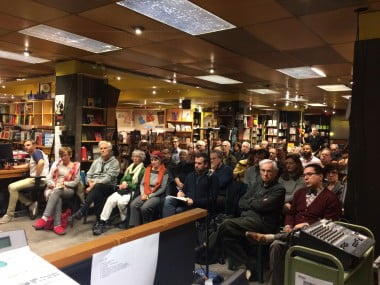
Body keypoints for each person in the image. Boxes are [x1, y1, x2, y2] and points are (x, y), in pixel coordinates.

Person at [246, 163, 342, 285]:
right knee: (276, 245)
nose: (305, 178)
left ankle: (268, 237)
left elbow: (330, 224)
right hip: (292, 234)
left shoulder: (331, 198)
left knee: (280, 239)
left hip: (314, 239)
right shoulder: (300, 193)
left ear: (321, 176)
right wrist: (288, 225)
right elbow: (291, 214)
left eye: (309, 174)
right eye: (304, 175)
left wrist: (306, 225)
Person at [206, 159, 285, 272]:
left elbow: (261, 207)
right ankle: (246, 266)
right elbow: (241, 201)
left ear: (275, 173)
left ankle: (207, 247)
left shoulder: (279, 189)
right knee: (226, 235)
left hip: (263, 224)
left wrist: (252, 202)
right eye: (263, 170)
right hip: (246, 219)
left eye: (269, 171)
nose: (265, 174)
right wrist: (256, 202)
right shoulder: (257, 184)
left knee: (227, 223)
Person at [93, 150, 146, 235]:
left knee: (121, 202)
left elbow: (139, 185)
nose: (135, 158)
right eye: (134, 156)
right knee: (110, 199)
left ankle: (125, 220)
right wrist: (123, 183)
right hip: (123, 189)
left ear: (141, 158)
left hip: (133, 191)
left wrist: (127, 185)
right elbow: (122, 179)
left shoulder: (143, 170)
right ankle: (102, 222)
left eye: (138, 157)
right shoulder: (130, 167)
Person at [70, 141, 120, 231]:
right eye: (101, 149)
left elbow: (108, 178)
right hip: (96, 187)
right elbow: (89, 174)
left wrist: (93, 185)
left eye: (105, 148)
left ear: (110, 150)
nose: (103, 150)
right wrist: (90, 182)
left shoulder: (114, 162)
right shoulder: (96, 161)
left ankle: (83, 210)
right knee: (98, 193)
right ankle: (99, 220)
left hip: (109, 186)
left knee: (98, 187)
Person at [32, 147, 80, 235]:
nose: (63, 157)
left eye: (65, 155)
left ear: (70, 155)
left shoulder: (76, 166)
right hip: (54, 188)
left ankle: (44, 217)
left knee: (57, 191)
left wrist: (64, 184)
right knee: (58, 196)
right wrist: (52, 184)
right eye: (61, 155)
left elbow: (76, 182)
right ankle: (57, 226)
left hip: (68, 189)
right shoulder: (57, 164)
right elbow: (48, 177)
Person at [0, 139, 49, 224]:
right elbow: (28, 165)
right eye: (25, 145)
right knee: (13, 189)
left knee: (11, 187)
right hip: (39, 179)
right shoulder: (36, 153)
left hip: (38, 180)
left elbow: (41, 163)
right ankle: (30, 204)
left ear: (34, 145)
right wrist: (13, 168)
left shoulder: (36, 152)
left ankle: (9, 215)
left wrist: (37, 176)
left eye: (28, 145)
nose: (26, 147)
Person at [162, 152, 213, 217]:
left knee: (179, 210)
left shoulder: (211, 177)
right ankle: (167, 225)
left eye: (199, 163)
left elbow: (212, 199)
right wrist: (180, 193)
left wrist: (194, 201)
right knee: (168, 199)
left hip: (199, 205)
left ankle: (171, 225)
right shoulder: (191, 175)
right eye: (195, 163)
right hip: (186, 201)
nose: (196, 166)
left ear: (206, 165)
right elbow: (183, 190)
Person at [128, 151, 168, 226]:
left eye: (155, 160)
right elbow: (142, 184)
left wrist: (150, 196)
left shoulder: (164, 172)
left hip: (156, 194)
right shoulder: (148, 169)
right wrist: (143, 194)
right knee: (133, 204)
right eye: (152, 160)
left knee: (145, 208)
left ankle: (146, 226)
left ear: (160, 160)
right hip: (146, 191)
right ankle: (135, 226)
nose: (153, 162)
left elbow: (162, 188)